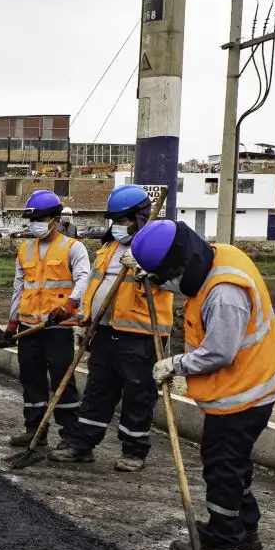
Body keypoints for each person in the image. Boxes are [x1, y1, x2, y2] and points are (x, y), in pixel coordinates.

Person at [132, 219, 275, 550]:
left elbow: (219, 352)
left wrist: (176, 365)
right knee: (234, 465)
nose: (166, 285)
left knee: (222, 467)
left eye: (165, 277)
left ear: (181, 265)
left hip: (244, 392)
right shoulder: (218, 257)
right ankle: (244, 529)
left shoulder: (224, 294)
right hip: (247, 384)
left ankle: (221, 543)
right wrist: (153, 278)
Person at [50, 185, 172, 471]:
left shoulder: (157, 249)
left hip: (141, 335)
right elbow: (94, 284)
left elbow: (173, 283)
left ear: (140, 217)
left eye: (124, 221)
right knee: (97, 390)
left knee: (138, 395)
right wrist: (85, 318)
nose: (118, 227)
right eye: (114, 221)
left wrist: (149, 271)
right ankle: (82, 444)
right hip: (104, 331)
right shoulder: (108, 249)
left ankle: (134, 450)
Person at [5, 190, 90, 447]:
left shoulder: (73, 248)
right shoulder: (25, 249)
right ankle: (35, 430)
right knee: (31, 379)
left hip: (57, 327)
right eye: (32, 220)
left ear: (54, 218)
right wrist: (12, 321)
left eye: (40, 219)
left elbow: (84, 278)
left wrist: (70, 305)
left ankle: (69, 434)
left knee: (62, 379)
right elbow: (19, 287)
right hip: (30, 327)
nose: (35, 225)